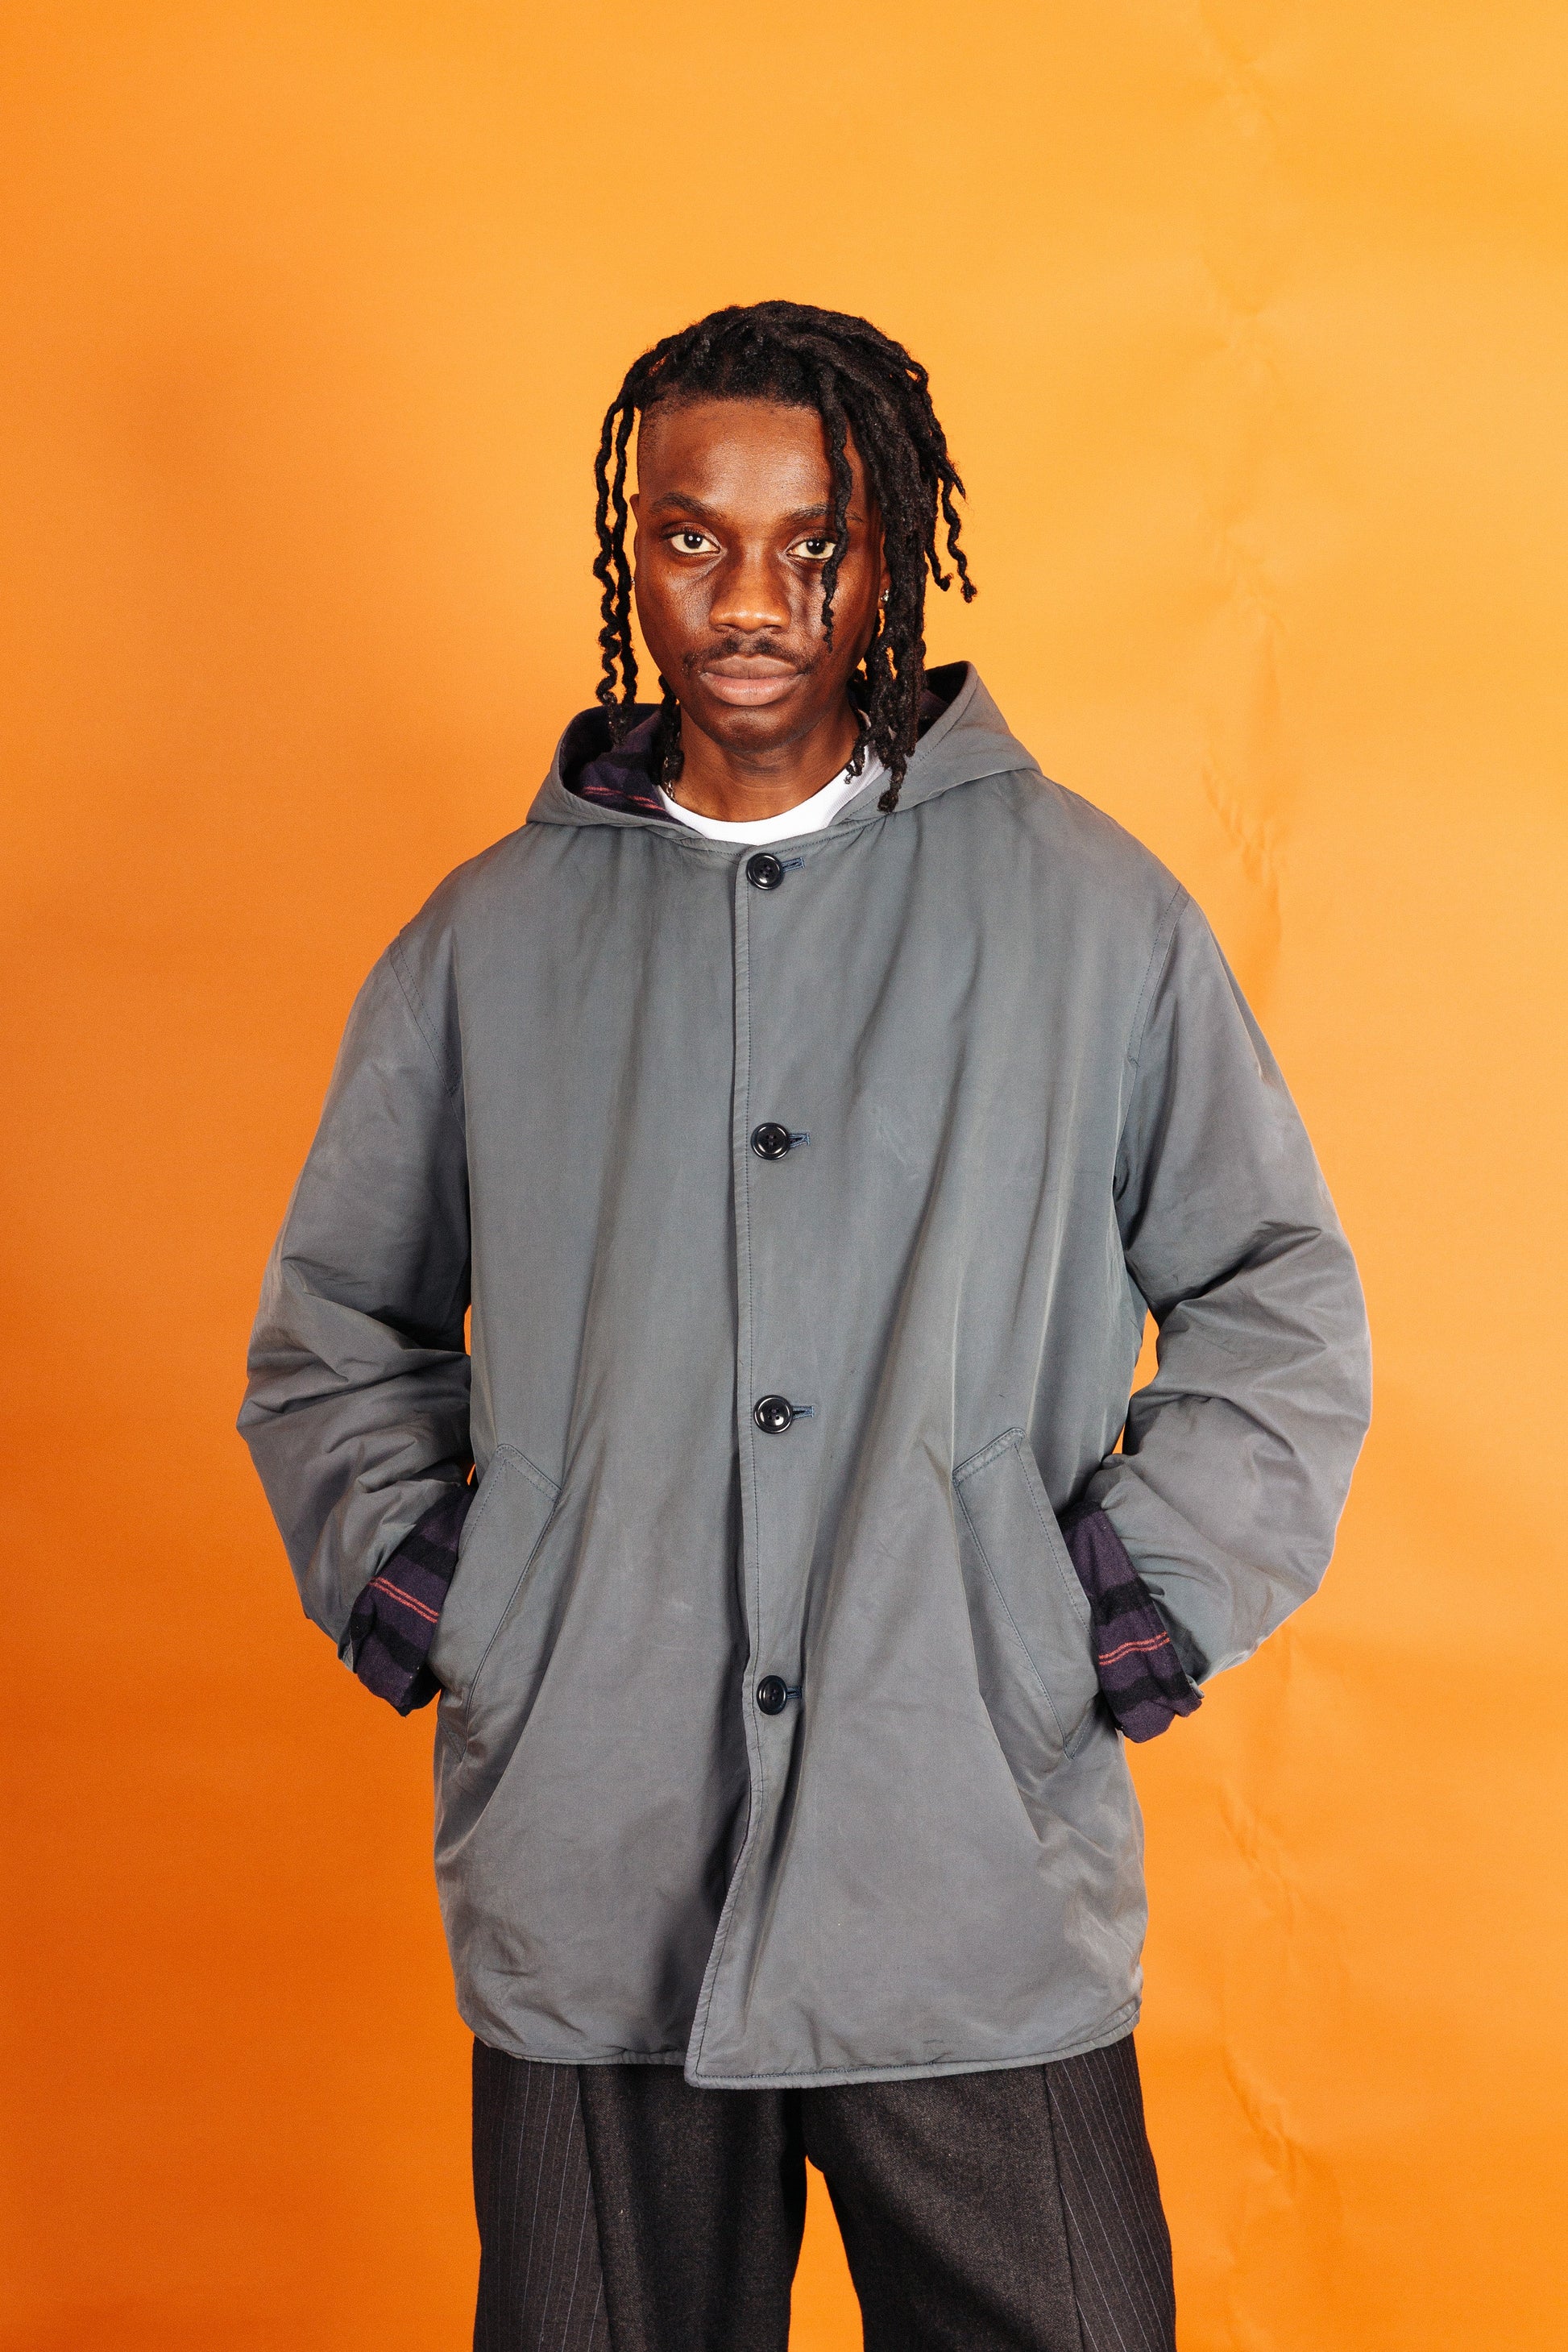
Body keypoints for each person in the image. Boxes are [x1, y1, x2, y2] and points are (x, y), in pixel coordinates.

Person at [240, 301, 1371, 2352]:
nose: (751, 600)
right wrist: (468, 1603)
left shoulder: (1083, 910)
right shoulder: (488, 940)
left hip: (966, 1861)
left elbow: (1275, 1299)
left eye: (814, 543)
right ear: (635, 550)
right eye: (693, 538)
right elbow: (335, 1329)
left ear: (892, 555)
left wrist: (1093, 1610)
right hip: (599, 1869)